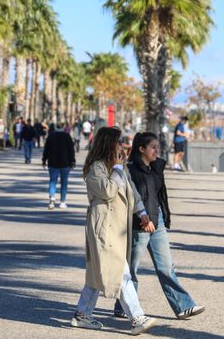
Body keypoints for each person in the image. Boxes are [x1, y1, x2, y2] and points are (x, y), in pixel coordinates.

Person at [71, 127, 157, 335]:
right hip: (103, 226)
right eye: (118, 142)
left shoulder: (118, 167)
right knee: (120, 271)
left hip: (117, 227)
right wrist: (118, 169)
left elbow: (132, 191)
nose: (121, 145)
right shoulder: (96, 168)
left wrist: (142, 211)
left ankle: (82, 314)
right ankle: (137, 318)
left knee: (98, 272)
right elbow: (107, 191)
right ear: (108, 144)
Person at [113, 132, 205, 321]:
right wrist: (143, 219)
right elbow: (131, 200)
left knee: (166, 266)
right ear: (141, 149)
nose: (157, 150)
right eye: (153, 147)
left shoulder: (155, 168)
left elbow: (159, 196)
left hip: (158, 220)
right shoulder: (131, 170)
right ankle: (124, 306)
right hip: (140, 222)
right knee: (132, 268)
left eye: (157, 146)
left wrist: (161, 216)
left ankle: (183, 306)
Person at [42, 123, 76, 210]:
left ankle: (52, 198)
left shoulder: (51, 136)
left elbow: (46, 149)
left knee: (52, 181)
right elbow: (71, 150)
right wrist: (72, 162)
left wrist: (44, 160)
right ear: (63, 128)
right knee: (64, 183)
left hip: (52, 163)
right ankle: (62, 202)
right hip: (65, 163)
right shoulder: (67, 136)